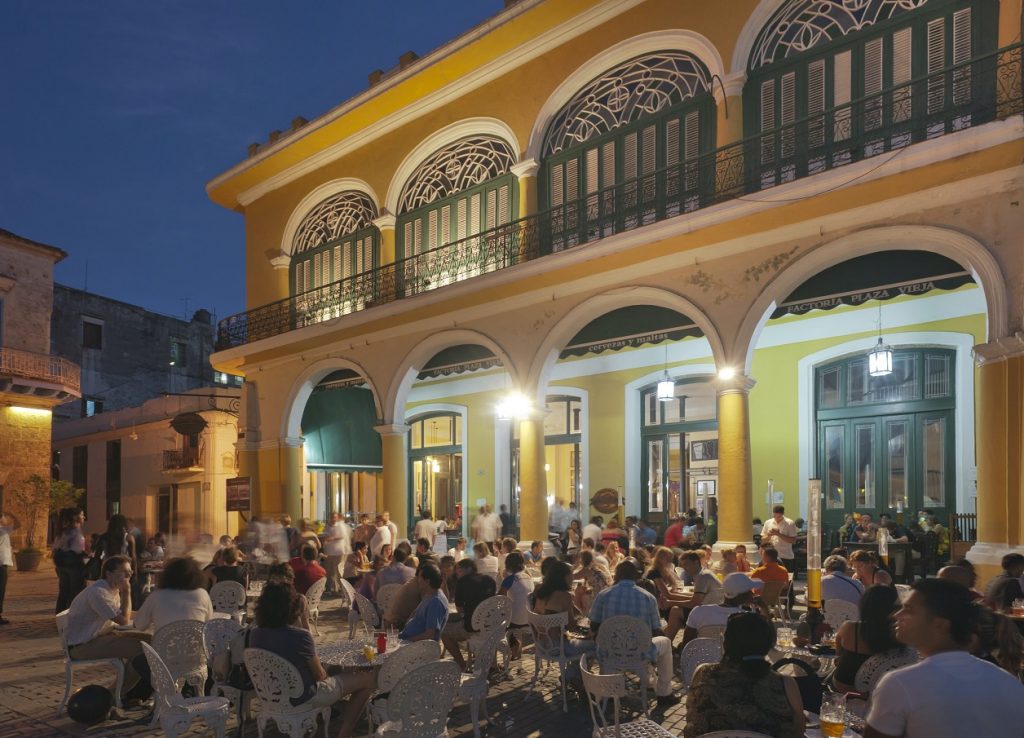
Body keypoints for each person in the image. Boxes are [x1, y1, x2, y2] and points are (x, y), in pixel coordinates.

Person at [865, 579, 1024, 738]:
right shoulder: (1009, 683)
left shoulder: (901, 684)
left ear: (940, 624)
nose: (897, 615)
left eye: (909, 610)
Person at [250, 581, 374, 738]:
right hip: (304, 696)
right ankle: (344, 733)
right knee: (367, 678)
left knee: (334, 669)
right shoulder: (300, 636)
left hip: (272, 693)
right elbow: (320, 676)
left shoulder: (255, 633)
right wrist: (334, 683)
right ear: (291, 606)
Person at [684, 611, 806, 738]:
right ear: (767, 645)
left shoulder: (703, 674)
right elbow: (798, 732)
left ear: (727, 644)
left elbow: (692, 720)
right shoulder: (786, 685)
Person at [590, 559, 678, 706]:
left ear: (617, 575)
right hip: (640, 653)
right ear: (636, 576)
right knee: (666, 643)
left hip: (609, 651)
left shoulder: (604, 595)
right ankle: (664, 692)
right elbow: (656, 630)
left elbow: (594, 625)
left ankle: (610, 690)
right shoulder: (648, 597)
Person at [64, 556, 151, 701]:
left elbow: (125, 614)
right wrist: (127, 592)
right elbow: (123, 619)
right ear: (109, 574)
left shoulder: (110, 588)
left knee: (153, 641)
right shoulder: (98, 592)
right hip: (83, 645)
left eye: (130, 572)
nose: (129, 576)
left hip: (101, 635)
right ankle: (115, 696)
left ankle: (130, 692)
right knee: (142, 651)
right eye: (124, 572)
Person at [832, 585, 906, 692]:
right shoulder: (900, 632)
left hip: (846, 686)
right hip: (884, 689)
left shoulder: (849, 628)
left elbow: (838, 654)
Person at [440, 558, 497, 669]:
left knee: (443, 631)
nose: (457, 572)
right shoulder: (489, 580)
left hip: (472, 627)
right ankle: (485, 659)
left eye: (459, 570)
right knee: (452, 619)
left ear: (469, 568)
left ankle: (462, 664)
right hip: (492, 624)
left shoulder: (463, 582)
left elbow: (459, 609)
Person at [134, 556, 214, 632]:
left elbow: (139, 625)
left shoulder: (157, 596)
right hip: (195, 645)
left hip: (162, 645)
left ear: (167, 575)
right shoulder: (202, 594)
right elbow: (208, 624)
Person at [682, 573, 765, 645]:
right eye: (750, 591)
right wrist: (764, 608)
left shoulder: (699, 611)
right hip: (732, 662)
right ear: (743, 595)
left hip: (703, 660)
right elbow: (769, 642)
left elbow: (686, 644)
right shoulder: (747, 618)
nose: (752, 594)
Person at [399, 563, 449, 642]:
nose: (417, 580)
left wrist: (407, 641)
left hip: (417, 647)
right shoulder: (429, 595)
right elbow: (415, 613)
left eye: (419, 577)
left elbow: (430, 634)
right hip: (406, 640)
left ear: (427, 581)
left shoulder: (435, 601)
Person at [498, 552, 533, 660]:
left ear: (508, 565)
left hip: (517, 620)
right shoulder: (528, 577)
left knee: (500, 620)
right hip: (530, 617)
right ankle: (518, 646)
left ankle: (514, 645)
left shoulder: (510, 579)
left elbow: (500, 598)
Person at [53, 508, 87, 614]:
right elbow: (77, 550)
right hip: (74, 566)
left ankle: (60, 614)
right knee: (75, 592)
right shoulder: (75, 532)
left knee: (64, 591)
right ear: (75, 517)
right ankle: (72, 615)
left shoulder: (62, 530)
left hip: (62, 565)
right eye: (82, 515)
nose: (83, 517)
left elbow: (56, 547)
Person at [760, 505, 798, 571]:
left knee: (787, 578)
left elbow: (793, 541)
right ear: (773, 514)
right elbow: (763, 540)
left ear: (783, 514)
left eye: (779, 517)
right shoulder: (768, 523)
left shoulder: (790, 523)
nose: (777, 518)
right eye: (775, 516)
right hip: (771, 557)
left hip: (785, 556)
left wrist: (778, 534)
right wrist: (769, 535)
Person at [0, 510, 18, 625]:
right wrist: (12, 514)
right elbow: (18, 524)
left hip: (3, 562)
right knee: (0, 589)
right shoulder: (2, 530)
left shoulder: (3, 530)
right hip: (1, 563)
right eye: (3, 517)